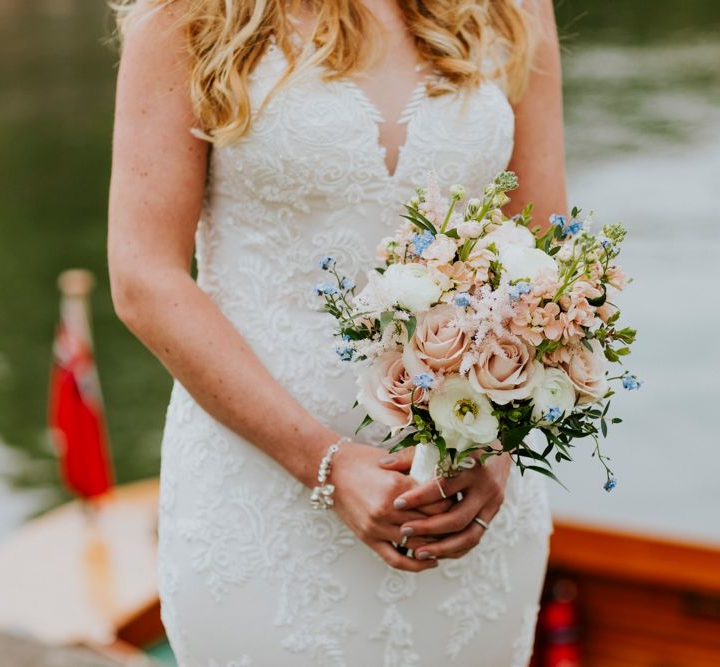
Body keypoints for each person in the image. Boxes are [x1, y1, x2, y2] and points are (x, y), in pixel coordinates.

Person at [108, 0, 566, 664]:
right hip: (261, 502)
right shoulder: (188, 13)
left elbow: (540, 249)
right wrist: (324, 464)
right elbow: (143, 277)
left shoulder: (512, 8)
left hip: (465, 505)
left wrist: (498, 444)